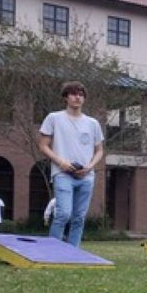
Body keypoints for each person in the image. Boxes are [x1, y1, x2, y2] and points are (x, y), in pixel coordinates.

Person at [38, 81, 104, 247]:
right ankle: (53, 251)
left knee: (79, 217)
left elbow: (99, 150)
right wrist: (61, 162)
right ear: (65, 97)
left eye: (81, 94)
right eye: (74, 94)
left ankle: (73, 252)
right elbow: (43, 145)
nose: (77, 97)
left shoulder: (92, 123)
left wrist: (90, 166)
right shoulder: (54, 118)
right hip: (62, 174)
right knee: (63, 214)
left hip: (86, 175)